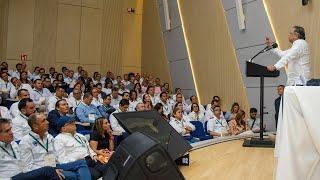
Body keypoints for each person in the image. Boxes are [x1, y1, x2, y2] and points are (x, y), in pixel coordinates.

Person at [54, 116, 108, 180]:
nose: (74, 123)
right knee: (96, 174)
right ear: (63, 128)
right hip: (78, 164)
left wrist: (94, 155)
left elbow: (88, 148)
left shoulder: (80, 136)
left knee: (108, 168)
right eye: (70, 123)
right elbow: (62, 159)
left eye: (73, 122)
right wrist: (78, 160)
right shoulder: (59, 139)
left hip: (91, 159)